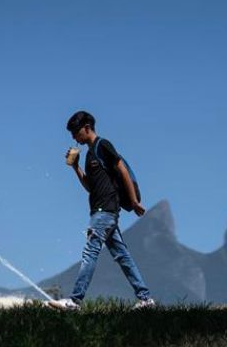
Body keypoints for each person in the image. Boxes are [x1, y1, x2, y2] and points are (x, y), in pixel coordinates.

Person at [48, 111, 155, 310]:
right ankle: (146, 299)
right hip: (101, 211)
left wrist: (133, 201)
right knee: (123, 256)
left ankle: (74, 300)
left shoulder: (103, 145)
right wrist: (76, 167)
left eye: (75, 132)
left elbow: (121, 169)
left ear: (87, 128)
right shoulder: (89, 155)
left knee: (90, 252)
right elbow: (90, 186)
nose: (74, 137)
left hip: (105, 210)